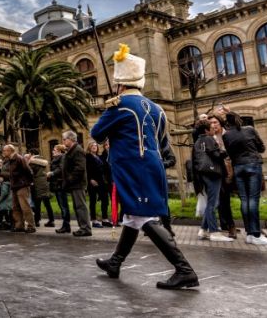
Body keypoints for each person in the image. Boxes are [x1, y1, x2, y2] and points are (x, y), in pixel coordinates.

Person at [92, 43, 198, 289]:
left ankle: (185, 270)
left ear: (120, 83)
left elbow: (96, 133)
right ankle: (115, 262)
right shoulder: (158, 108)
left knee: (144, 216)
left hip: (132, 166)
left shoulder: (120, 105)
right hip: (153, 164)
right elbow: (162, 143)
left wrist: (111, 112)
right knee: (134, 215)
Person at [223, 111, 267, 245]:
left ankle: (249, 234)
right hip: (253, 165)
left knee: (244, 200)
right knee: (253, 199)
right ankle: (256, 235)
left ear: (227, 122)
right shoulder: (250, 129)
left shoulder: (226, 135)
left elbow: (229, 152)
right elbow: (262, 147)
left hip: (238, 168)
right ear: (239, 119)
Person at [191, 120, 233, 242]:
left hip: (204, 174)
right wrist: (224, 151)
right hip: (213, 173)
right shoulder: (209, 139)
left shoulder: (197, 141)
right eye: (211, 126)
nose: (214, 127)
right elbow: (216, 154)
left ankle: (203, 230)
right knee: (213, 203)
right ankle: (214, 232)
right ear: (206, 130)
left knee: (212, 202)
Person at [208, 114, 237, 238]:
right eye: (211, 123)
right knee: (224, 200)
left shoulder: (228, 134)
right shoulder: (211, 138)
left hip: (235, 168)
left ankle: (253, 228)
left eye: (215, 122)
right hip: (221, 171)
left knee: (242, 198)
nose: (213, 125)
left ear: (220, 123)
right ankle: (230, 226)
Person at [61, 131, 91, 237]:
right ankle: (82, 227)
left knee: (81, 206)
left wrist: (70, 179)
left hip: (78, 183)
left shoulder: (77, 150)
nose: (63, 141)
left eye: (64, 139)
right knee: (78, 206)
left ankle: (85, 228)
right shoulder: (71, 150)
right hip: (74, 184)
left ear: (71, 139)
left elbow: (80, 168)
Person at [4, 144, 35, 233]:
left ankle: (31, 225)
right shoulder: (10, 160)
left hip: (22, 185)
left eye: (5, 150)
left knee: (25, 206)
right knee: (15, 207)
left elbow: (28, 170)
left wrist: (29, 182)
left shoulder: (19, 158)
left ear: (10, 151)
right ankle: (19, 225)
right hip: (15, 186)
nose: (4, 152)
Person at [86, 141, 111, 228]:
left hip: (101, 181)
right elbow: (86, 169)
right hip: (92, 181)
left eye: (95, 146)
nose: (94, 147)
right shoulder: (87, 157)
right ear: (89, 147)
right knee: (93, 201)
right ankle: (94, 220)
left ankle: (105, 219)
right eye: (92, 145)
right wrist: (90, 179)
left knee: (105, 199)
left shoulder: (99, 157)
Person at [27, 150, 54, 228]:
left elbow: (30, 172)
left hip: (37, 183)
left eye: (29, 153)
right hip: (44, 182)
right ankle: (51, 220)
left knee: (37, 203)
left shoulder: (33, 162)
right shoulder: (43, 160)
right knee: (47, 203)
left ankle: (37, 220)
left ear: (32, 154)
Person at [47, 144, 70, 233]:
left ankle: (66, 225)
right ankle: (66, 225)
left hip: (60, 184)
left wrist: (51, 173)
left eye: (54, 150)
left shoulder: (62, 158)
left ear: (59, 151)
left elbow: (61, 169)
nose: (53, 151)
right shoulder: (57, 159)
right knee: (62, 206)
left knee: (64, 206)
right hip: (57, 184)